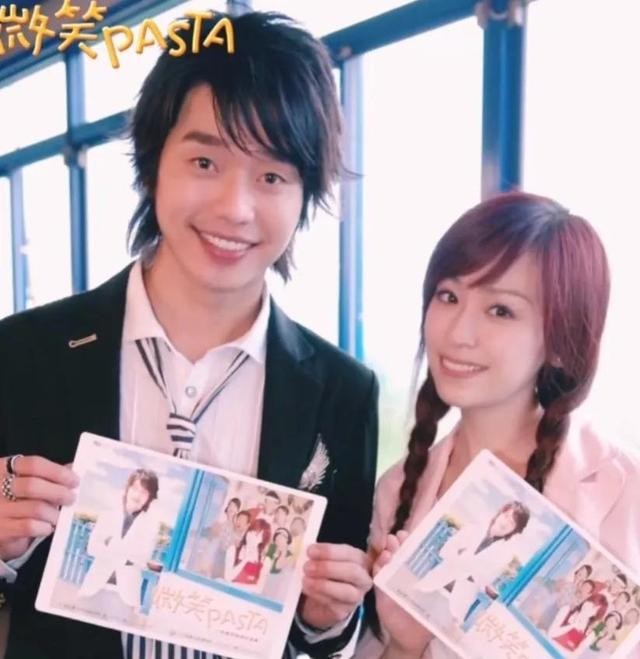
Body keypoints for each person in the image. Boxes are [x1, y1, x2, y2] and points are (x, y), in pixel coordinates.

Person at [0, 11, 378, 659]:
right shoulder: (24, 353)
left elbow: (322, 628)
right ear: (153, 163)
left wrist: (327, 616)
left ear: (305, 193)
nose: (235, 208)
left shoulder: (342, 391)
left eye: (272, 177)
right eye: (205, 161)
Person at [356, 192, 640, 659]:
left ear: (560, 341)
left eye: (500, 310)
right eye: (448, 296)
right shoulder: (397, 491)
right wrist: (405, 645)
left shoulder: (623, 489)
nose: (458, 333)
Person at [412, 501, 530, 622]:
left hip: (459, 600)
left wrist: (463, 559)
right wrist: (467, 564)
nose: (505, 523)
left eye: (511, 523)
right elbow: (447, 549)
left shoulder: (505, 554)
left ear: (515, 530)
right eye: (506, 516)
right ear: (500, 512)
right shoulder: (476, 526)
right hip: (434, 584)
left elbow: (484, 578)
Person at [78, 469, 160, 608]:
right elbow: (92, 547)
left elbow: (143, 558)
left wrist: (110, 545)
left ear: (150, 497)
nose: (137, 495)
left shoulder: (151, 525)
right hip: (94, 586)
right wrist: (126, 556)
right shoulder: (108, 515)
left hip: (127, 594)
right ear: (127, 488)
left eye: (144, 492)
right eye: (135, 488)